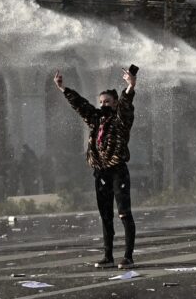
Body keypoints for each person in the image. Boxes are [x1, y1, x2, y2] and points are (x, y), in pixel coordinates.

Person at [54, 68, 137, 269]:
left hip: (117, 170)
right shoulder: (96, 119)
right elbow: (81, 105)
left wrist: (131, 86)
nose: (103, 105)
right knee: (105, 214)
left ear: (115, 103)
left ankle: (128, 256)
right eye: (101, 102)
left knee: (124, 213)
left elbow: (126, 104)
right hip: (100, 172)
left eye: (107, 102)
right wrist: (63, 88)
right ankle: (108, 256)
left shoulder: (121, 119)